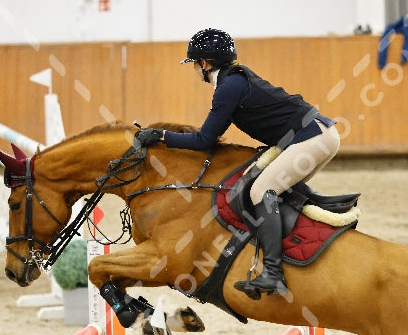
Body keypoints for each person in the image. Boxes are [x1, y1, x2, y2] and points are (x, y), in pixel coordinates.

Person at [134, 28, 341, 299]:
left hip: (312, 138)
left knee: (261, 192)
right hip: (318, 135)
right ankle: (293, 257)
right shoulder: (235, 79)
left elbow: (204, 140)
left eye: (195, 64)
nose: (195, 70)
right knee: (272, 191)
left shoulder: (229, 87)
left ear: (205, 64)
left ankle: (273, 274)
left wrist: (160, 136)